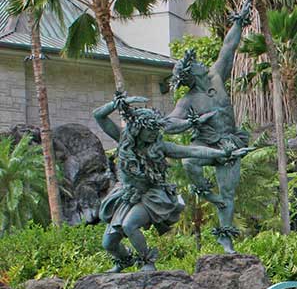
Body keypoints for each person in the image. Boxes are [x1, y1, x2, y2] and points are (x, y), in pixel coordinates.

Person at [94, 92, 247, 272]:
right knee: (109, 244)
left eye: (155, 130)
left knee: (130, 225)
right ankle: (124, 260)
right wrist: (117, 103)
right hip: (126, 195)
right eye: (149, 130)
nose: (153, 134)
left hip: (150, 196)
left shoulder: (161, 147)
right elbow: (99, 116)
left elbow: (194, 151)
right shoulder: (123, 141)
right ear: (138, 129)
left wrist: (222, 153)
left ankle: (148, 262)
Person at [164, 0, 253, 253]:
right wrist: (194, 122)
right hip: (203, 143)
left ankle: (225, 238)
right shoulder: (188, 101)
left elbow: (228, 47)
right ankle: (205, 192)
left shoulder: (216, 78)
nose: (203, 62)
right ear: (192, 74)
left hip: (228, 142)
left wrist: (239, 21)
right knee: (189, 161)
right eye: (197, 63)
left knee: (228, 193)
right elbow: (169, 125)